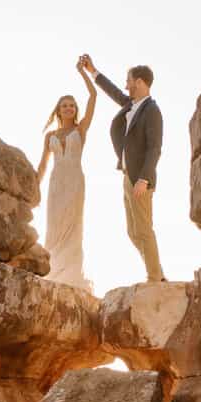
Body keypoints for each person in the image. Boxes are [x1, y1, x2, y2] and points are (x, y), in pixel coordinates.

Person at [78, 53, 165, 283]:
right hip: (127, 176)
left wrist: (144, 179)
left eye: (128, 80)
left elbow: (154, 148)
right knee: (133, 232)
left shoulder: (152, 111)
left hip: (140, 179)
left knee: (144, 229)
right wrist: (92, 70)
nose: (126, 85)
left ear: (139, 82)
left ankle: (155, 277)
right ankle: (156, 270)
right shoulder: (131, 105)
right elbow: (113, 91)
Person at [36, 61, 96, 291]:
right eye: (65, 105)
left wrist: (83, 72)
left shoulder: (80, 130)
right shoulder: (50, 135)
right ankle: (51, 275)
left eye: (72, 105)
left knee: (72, 228)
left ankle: (70, 278)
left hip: (74, 182)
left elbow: (92, 97)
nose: (69, 108)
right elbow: (42, 164)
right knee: (54, 228)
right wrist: (35, 187)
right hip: (55, 185)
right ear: (58, 110)